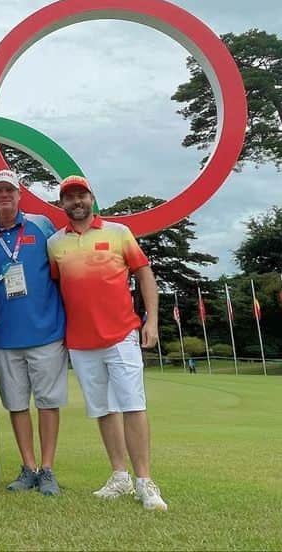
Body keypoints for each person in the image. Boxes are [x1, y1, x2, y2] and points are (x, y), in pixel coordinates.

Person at [46, 175, 168, 511]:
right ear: (63, 205)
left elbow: (144, 273)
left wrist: (152, 320)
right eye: (69, 198)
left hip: (121, 335)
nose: (76, 202)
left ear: (92, 198)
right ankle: (120, 476)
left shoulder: (118, 233)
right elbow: (60, 286)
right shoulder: (56, 243)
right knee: (102, 409)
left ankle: (145, 482)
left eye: (81, 195)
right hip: (81, 342)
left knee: (132, 405)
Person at [0, 170, 68, 497]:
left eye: (9, 190)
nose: (4, 195)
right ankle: (28, 467)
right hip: (5, 337)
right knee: (16, 405)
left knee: (48, 403)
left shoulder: (42, 226)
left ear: (19, 194)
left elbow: (62, 270)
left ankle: (47, 469)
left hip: (46, 332)